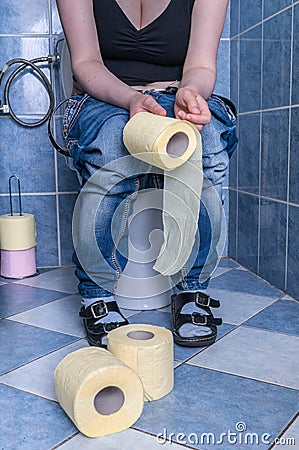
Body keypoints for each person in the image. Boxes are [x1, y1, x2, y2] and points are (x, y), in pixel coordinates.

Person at [56, 0, 238, 348]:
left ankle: (192, 288)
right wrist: (130, 99)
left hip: (178, 93)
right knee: (110, 146)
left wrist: (191, 94)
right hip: (106, 98)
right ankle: (98, 292)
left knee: (209, 145)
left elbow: (201, 64)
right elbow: (84, 63)